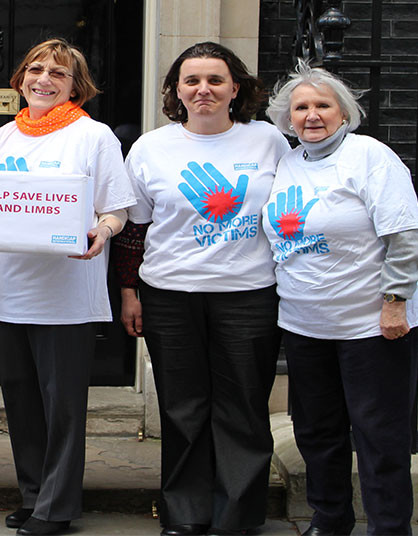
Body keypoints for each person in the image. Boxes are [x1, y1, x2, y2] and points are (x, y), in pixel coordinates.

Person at [113, 42, 289, 536]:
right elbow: (134, 229)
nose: (203, 90)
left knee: (244, 407)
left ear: (236, 88)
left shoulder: (268, 142)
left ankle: (237, 516)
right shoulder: (151, 147)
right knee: (183, 407)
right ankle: (185, 514)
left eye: (215, 80)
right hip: (170, 294)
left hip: (249, 293)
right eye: (192, 81)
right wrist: (130, 291)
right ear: (176, 90)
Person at [0, 38, 135, 536]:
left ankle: (56, 508)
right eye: (36, 70)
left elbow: (116, 208)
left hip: (67, 294)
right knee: (21, 400)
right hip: (10, 291)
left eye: (58, 74)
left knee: (62, 405)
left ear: (75, 87)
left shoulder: (93, 136)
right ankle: (34, 494)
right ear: (19, 79)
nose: (43, 79)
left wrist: (101, 232)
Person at [262, 61, 418, 536]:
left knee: (379, 435)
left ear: (343, 112)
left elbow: (406, 234)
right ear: (287, 118)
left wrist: (395, 301)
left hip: (371, 325)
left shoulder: (370, 156)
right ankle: (330, 519)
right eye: (301, 107)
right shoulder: (290, 161)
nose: (312, 115)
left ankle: (389, 527)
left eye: (322, 105)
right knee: (316, 431)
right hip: (305, 323)